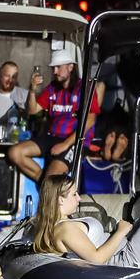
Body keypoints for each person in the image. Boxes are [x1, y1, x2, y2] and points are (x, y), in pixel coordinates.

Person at [31, 172, 140, 267]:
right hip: (124, 259)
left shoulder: (65, 224)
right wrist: (120, 231)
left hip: (126, 248)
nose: (79, 198)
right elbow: (97, 258)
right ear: (60, 199)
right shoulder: (64, 229)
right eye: (74, 194)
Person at [8, 43, 99, 181]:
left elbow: (90, 120)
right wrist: (32, 89)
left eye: (58, 67)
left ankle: (48, 185)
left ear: (70, 67)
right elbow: (32, 110)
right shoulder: (52, 88)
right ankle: (44, 183)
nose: (55, 71)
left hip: (74, 141)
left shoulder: (84, 87)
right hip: (52, 137)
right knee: (15, 152)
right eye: (53, 68)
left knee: (52, 177)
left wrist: (65, 144)